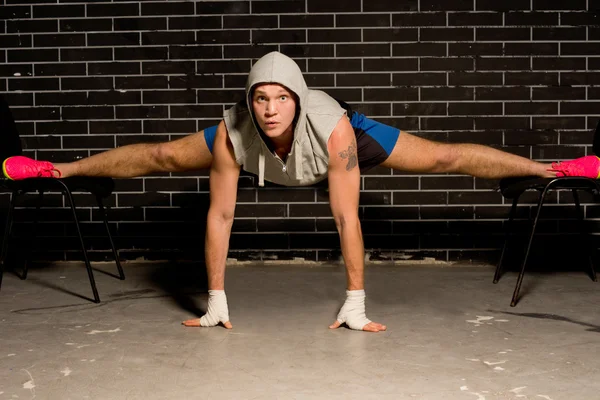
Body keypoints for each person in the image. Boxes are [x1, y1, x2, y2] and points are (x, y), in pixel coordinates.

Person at [2, 51, 599, 332]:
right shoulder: (234, 133)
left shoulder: (332, 124)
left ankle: (555, 170)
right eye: (261, 97)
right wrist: (215, 301)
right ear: (249, 102)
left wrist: (356, 302)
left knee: (442, 157)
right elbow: (220, 217)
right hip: (254, 156)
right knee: (160, 156)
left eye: (282, 97)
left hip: (339, 145)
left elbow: (344, 217)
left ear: (298, 97)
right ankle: (55, 169)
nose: (271, 108)